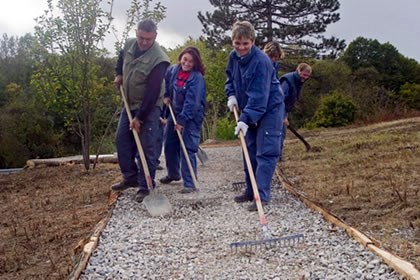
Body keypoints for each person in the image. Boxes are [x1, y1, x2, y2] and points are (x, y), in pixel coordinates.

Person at [225, 21, 285, 211]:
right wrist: (231, 94)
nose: (241, 48)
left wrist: (245, 118)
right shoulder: (233, 58)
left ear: (252, 41)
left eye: (245, 44)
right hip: (249, 108)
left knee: (265, 151)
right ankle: (250, 191)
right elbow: (230, 78)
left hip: (269, 109)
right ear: (232, 42)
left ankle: (262, 195)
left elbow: (260, 96)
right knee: (248, 149)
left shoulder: (262, 61)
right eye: (237, 43)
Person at [111, 19, 170, 203]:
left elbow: (152, 92)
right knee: (122, 141)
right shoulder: (129, 44)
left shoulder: (160, 59)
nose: (144, 42)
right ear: (136, 33)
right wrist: (119, 73)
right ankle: (130, 177)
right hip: (129, 103)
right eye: (141, 37)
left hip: (150, 107)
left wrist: (139, 118)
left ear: (155, 36)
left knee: (147, 148)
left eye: (148, 39)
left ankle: (146, 185)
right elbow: (121, 58)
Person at [159, 47, 207, 193]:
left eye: (191, 62)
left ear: (195, 63)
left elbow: (192, 103)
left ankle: (190, 183)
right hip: (174, 113)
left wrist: (182, 122)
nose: (187, 63)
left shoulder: (196, 78)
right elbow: (167, 83)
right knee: (169, 145)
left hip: (191, 117)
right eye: (185, 59)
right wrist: (166, 96)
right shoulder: (173, 70)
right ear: (180, 58)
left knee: (188, 148)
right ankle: (173, 174)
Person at [278, 63, 312, 160]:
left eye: (307, 76)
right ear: (299, 71)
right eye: (304, 75)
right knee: (280, 133)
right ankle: (277, 157)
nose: (305, 78)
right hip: (278, 109)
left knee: (281, 133)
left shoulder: (298, 81)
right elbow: (280, 99)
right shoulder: (288, 80)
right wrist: (282, 116)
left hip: (284, 109)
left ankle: (278, 156)